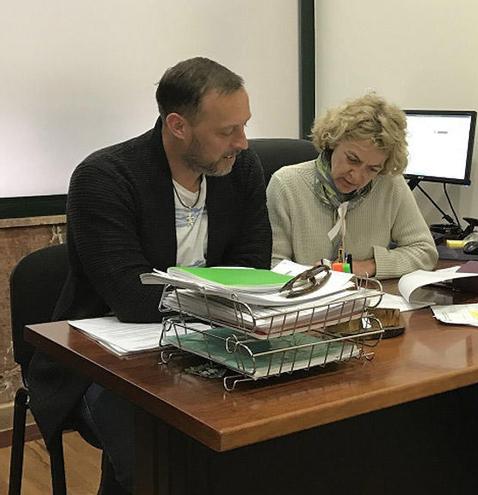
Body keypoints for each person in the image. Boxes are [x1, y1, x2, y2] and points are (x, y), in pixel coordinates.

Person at [27, 57, 271, 493]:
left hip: (211, 344)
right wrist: (223, 295)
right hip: (106, 363)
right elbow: (133, 298)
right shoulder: (104, 178)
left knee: (266, 437)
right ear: (178, 125)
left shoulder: (241, 170)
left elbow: (253, 269)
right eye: (226, 131)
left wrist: (216, 299)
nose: (243, 142)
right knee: (159, 461)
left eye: (244, 125)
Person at [267, 92, 438, 279]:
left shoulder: (390, 185)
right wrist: (317, 278)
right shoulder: (286, 184)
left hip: (367, 300)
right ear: (333, 141)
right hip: (302, 301)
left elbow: (425, 252)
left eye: (372, 169)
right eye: (352, 159)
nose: (357, 177)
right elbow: (273, 264)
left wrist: (367, 266)